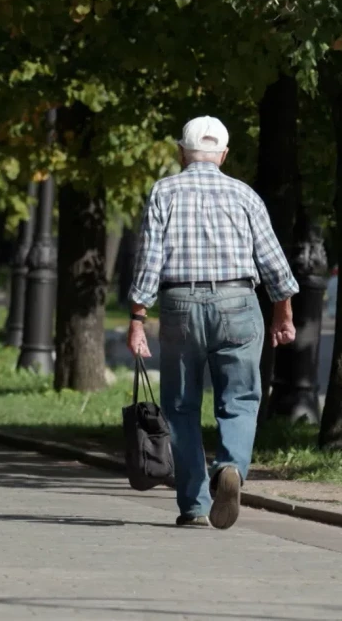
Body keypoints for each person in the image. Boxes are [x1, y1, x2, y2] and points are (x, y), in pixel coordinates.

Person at [127, 116, 298, 530]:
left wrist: (137, 316)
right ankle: (231, 468)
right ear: (223, 154)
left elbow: (150, 258)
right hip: (238, 301)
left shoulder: (164, 191)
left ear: (181, 152)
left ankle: (194, 506)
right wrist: (283, 313)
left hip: (180, 303)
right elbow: (273, 261)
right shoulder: (245, 194)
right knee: (239, 399)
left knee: (181, 405)